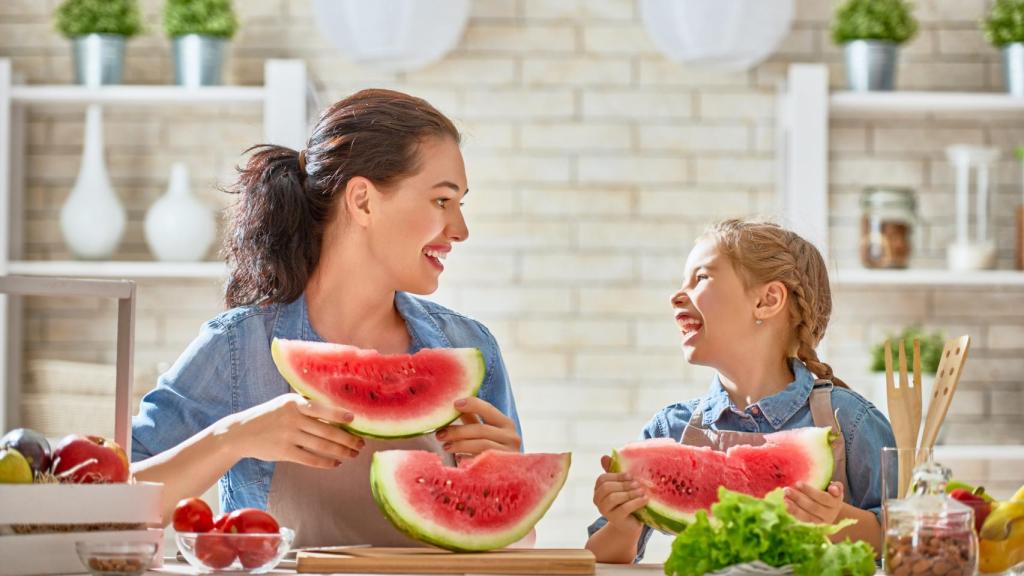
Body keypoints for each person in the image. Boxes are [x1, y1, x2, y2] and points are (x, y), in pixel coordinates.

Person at [131, 89, 522, 548]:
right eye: (442, 201)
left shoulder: (471, 348)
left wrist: (505, 481)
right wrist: (230, 438)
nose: (460, 230)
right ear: (362, 201)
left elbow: (517, 542)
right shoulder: (240, 347)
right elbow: (111, 506)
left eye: (460, 204)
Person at [585, 219, 895, 563]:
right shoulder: (672, 430)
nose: (675, 295)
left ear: (767, 300)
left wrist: (835, 521)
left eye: (700, 278)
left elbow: (904, 538)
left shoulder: (848, 422)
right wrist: (623, 523)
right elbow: (599, 559)